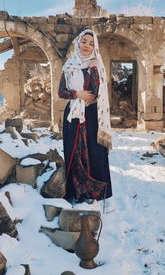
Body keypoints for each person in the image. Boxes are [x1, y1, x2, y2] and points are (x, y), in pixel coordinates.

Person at [58, 29, 112, 205]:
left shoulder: (97, 65)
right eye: (84, 41)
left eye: (91, 43)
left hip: (93, 113)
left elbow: (97, 91)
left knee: (92, 151)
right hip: (73, 113)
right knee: (75, 151)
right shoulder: (69, 65)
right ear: (78, 43)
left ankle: (92, 191)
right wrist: (78, 93)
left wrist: (94, 67)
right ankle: (76, 190)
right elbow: (61, 92)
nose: (87, 46)